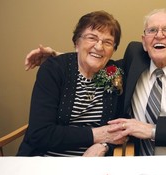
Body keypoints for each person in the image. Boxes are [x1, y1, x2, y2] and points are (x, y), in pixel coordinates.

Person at [24, 8, 166, 156]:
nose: (159, 35)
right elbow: (95, 59)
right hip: (139, 160)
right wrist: (59, 57)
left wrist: (151, 130)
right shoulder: (133, 60)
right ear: (144, 42)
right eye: (152, 30)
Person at [18, 11, 127, 156]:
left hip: (93, 163)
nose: (99, 47)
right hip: (45, 160)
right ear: (77, 43)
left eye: (107, 42)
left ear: (113, 50)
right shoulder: (54, 69)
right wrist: (97, 135)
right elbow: (40, 133)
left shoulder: (115, 74)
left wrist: (104, 145)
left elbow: (118, 129)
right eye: (92, 38)